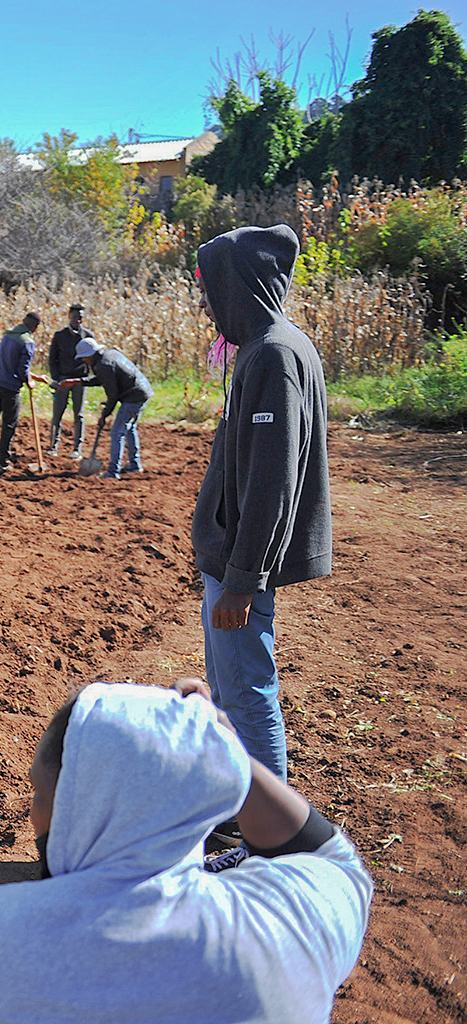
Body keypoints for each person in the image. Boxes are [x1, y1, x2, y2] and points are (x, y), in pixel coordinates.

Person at [0, 680, 373, 1024]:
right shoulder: (286, 922)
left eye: (39, 791)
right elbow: (332, 858)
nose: (32, 811)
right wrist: (225, 750)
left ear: (79, 805)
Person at [192, 223, 330, 782]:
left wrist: (243, 578)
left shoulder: (273, 355)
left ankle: (268, 845)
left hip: (240, 569)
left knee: (247, 699)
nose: (205, 302)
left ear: (239, 285)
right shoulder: (264, 349)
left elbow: (271, 482)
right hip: (231, 562)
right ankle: (242, 822)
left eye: (211, 287)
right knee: (229, 693)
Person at [59, 337, 152, 478]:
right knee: (129, 428)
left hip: (133, 396)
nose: (84, 360)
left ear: (89, 355)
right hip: (143, 391)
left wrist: (104, 415)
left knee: (117, 432)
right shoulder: (109, 355)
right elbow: (104, 379)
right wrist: (78, 381)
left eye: (84, 357)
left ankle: (113, 472)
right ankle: (134, 464)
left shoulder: (103, 365)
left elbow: (113, 395)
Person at [0, 313, 49, 470]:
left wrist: (36, 377)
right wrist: (29, 382)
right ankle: (2, 462)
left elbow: (11, 364)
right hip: (10, 388)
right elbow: (22, 370)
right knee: (9, 425)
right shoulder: (28, 342)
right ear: (36, 327)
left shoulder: (8, 336)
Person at [46, 303, 94, 458]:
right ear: (69, 317)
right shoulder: (60, 336)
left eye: (80, 317)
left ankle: (77, 448)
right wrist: (57, 378)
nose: (77, 320)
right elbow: (52, 359)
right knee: (57, 413)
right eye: (75, 317)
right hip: (63, 379)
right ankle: (54, 446)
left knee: (79, 415)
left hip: (80, 381)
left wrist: (86, 378)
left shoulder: (88, 336)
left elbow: (93, 359)